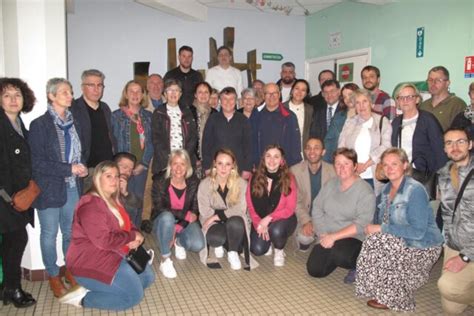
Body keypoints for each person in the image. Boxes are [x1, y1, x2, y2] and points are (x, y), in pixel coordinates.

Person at [356, 148, 443, 311]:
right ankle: (381, 288)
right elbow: (385, 223)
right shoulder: (386, 190)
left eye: (394, 164)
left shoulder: (414, 190)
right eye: (385, 165)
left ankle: (395, 296)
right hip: (402, 240)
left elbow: (417, 232)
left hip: (423, 245)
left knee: (381, 240)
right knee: (373, 241)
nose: (389, 168)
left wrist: (381, 229)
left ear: (404, 165)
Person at [64, 161, 155, 310]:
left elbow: (127, 223)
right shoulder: (90, 206)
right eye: (108, 176)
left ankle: (102, 288)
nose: (114, 180)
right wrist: (131, 236)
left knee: (148, 279)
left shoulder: (113, 199)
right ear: (98, 179)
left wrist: (136, 233)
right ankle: (83, 299)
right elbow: (104, 241)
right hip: (92, 260)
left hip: (116, 252)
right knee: (133, 297)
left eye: (116, 176)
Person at [29, 78, 88, 298]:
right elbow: (37, 163)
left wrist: (79, 167)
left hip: (72, 186)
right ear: (51, 96)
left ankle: (70, 270)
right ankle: (53, 275)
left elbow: (80, 152)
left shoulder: (75, 123)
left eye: (70, 92)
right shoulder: (40, 125)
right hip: (48, 188)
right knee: (49, 234)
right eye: (64, 92)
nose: (69, 95)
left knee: (70, 233)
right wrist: (69, 168)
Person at [306, 148, 375, 283]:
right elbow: (317, 208)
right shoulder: (331, 184)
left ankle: (359, 265)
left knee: (340, 254)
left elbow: (362, 224)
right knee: (315, 270)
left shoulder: (365, 191)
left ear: (355, 166)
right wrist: (323, 233)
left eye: (346, 163)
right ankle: (334, 254)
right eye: (338, 164)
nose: (341, 168)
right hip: (328, 235)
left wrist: (334, 237)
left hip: (353, 238)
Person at [0, 78, 37, 308]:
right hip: (6, 198)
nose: (14, 100)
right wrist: (7, 198)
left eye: (17, 95)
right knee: (17, 239)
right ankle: (13, 289)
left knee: (10, 242)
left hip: (18, 196)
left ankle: (7, 286)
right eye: (7, 95)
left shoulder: (18, 123)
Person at [198, 149, 258, 270]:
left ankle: (232, 251)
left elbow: (240, 209)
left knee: (235, 222)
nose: (223, 168)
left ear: (233, 166)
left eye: (228, 164)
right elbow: (204, 211)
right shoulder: (205, 184)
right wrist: (217, 218)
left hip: (234, 221)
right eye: (220, 163)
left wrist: (216, 216)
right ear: (214, 163)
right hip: (213, 222)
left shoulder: (241, 183)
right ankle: (222, 243)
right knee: (215, 238)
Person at [150, 149, 204, 278]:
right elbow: (160, 207)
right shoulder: (160, 181)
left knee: (198, 244)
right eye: (175, 163)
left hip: (181, 222)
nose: (178, 168)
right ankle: (165, 258)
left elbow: (194, 210)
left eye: (182, 164)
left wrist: (179, 226)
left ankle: (179, 242)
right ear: (170, 165)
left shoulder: (194, 182)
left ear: (188, 167)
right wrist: (184, 216)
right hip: (162, 220)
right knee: (168, 218)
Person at [437, 127, 474, 314]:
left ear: (470, 144)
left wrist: (466, 256)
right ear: (444, 149)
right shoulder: (443, 175)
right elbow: (447, 215)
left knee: (448, 287)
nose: (455, 147)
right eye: (449, 143)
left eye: (460, 141)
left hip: (471, 247)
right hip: (454, 244)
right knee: (451, 307)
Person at [391, 83, 447, 196]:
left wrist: (442, 181)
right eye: (401, 97)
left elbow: (440, 150)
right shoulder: (396, 123)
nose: (405, 100)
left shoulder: (428, 120)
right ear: (397, 101)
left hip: (422, 175)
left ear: (417, 99)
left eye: (409, 97)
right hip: (400, 175)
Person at [247, 145, 297, 267]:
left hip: (283, 219)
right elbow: (251, 206)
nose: (272, 160)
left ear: (282, 160)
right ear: (263, 159)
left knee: (276, 230)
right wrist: (259, 223)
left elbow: (289, 209)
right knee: (257, 250)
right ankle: (268, 242)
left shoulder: (289, 178)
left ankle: (279, 250)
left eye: (276, 157)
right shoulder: (254, 178)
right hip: (261, 219)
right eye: (268, 156)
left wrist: (268, 219)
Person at [111, 80, 153, 226]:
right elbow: (113, 143)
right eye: (131, 91)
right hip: (122, 168)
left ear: (142, 95)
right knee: (122, 203)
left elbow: (151, 143)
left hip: (141, 167)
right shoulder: (116, 116)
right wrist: (120, 167)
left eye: (138, 91)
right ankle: (124, 236)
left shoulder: (148, 116)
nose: (135, 94)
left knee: (137, 203)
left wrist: (143, 163)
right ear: (126, 94)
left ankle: (135, 236)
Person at [338, 89, 392, 193]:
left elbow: (386, 146)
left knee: (372, 207)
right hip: (351, 174)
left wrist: (365, 165)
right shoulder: (350, 122)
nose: (361, 106)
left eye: (364, 101)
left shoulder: (382, 121)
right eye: (357, 103)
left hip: (373, 176)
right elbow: (341, 146)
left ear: (371, 104)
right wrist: (354, 165)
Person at [71, 69, 114, 192]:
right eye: (91, 85)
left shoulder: (105, 108)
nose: (96, 89)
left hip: (106, 169)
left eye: (99, 85)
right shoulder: (74, 108)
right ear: (82, 87)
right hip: (87, 171)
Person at [290, 138, 336, 251]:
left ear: (323, 151)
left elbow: (335, 201)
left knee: (330, 245)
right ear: (305, 151)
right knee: (304, 240)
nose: (312, 152)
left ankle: (319, 236)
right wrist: (306, 221)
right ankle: (311, 236)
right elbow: (295, 201)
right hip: (305, 216)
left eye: (316, 148)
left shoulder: (333, 171)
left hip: (325, 218)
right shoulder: (294, 171)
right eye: (309, 148)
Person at [202, 86, 252, 179]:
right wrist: (207, 166)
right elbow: (206, 145)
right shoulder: (213, 119)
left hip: (238, 168)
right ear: (220, 101)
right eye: (225, 99)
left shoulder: (243, 120)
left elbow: (248, 146)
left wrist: (247, 168)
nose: (228, 102)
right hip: (216, 169)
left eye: (231, 99)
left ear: (236, 101)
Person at [151, 79, 198, 176]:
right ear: (165, 93)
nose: (173, 93)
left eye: (176, 90)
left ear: (180, 94)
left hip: (185, 160)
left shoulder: (187, 111)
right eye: (169, 90)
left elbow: (193, 136)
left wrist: (184, 157)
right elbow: (156, 138)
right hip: (164, 162)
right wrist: (169, 159)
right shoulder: (158, 112)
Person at [251, 83, 302, 167]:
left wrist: (294, 165)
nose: (272, 96)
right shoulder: (256, 115)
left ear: (279, 95)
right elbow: (252, 141)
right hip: (261, 165)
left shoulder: (289, 116)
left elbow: (295, 144)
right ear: (263, 96)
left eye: (274, 93)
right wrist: (253, 163)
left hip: (284, 165)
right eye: (268, 93)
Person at [419, 66, 466, 131]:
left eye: (438, 80)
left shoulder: (457, 104)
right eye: (430, 80)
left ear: (447, 83)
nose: (433, 83)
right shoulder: (423, 105)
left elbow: (461, 133)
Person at [323, 83, 359, 162]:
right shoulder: (338, 116)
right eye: (345, 97)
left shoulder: (364, 115)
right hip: (339, 159)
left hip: (360, 159)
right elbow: (329, 140)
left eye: (350, 94)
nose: (348, 99)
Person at [189, 81, 217, 178]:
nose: (203, 95)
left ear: (210, 94)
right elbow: (186, 137)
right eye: (200, 92)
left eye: (206, 92)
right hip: (192, 159)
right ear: (195, 95)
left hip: (211, 160)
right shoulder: (188, 112)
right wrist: (194, 158)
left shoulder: (215, 114)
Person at [283, 79, 313, 153]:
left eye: (303, 90)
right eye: (297, 88)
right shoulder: (282, 108)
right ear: (292, 90)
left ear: (306, 94)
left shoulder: (310, 109)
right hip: (285, 150)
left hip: (303, 150)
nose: (299, 92)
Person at [113, 152, 142, 227]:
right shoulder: (103, 179)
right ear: (113, 166)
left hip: (124, 225)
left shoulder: (130, 181)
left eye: (130, 170)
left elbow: (138, 204)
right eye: (125, 167)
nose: (127, 172)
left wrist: (125, 193)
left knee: (132, 206)